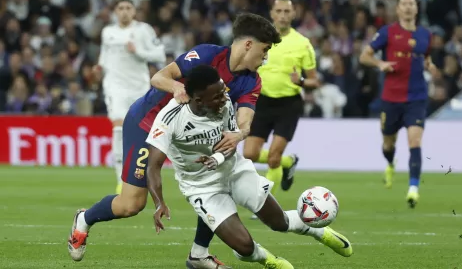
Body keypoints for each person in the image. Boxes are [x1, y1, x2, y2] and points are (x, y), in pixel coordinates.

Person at [68, 13, 281, 269]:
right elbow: (158, 77)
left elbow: (245, 119)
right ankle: (84, 218)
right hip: (148, 123)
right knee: (131, 204)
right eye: (264, 49)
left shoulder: (251, 80)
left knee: (220, 179)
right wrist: (176, 88)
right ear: (248, 44)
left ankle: (199, 255)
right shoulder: (207, 55)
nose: (265, 57)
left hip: (192, 134)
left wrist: (241, 133)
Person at [146, 65, 353, 269]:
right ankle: (269, 260)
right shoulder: (170, 118)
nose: (224, 98)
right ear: (198, 100)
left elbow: (231, 141)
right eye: (217, 96)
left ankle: (319, 231)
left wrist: (216, 159)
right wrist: (158, 203)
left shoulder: (223, 102)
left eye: (223, 92)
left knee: (279, 222)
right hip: (202, 187)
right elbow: (153, 166)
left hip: (234, 170)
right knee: (244, 248)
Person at [359, 0, 437, 208]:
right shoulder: (388, 32)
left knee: (415, 141)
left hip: (417, 98)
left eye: (412, 4)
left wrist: (430, 65)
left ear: (417, 8)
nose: (408, 7)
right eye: (404, 4)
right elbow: (364, 56)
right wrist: (380, 64)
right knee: (388, 143)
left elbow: (427, 56)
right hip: (391, 98)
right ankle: (390, 162)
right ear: (398, 9)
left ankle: (413, 189)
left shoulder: (425, 35)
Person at [243, 0, 320, 211]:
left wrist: (302, 81)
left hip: (288, 105)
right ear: (272, 14)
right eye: (279, 11)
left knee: (273, 155)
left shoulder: (303, 44)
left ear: (294, 14)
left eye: (287, 11)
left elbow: (315, 80)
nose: (283, 16)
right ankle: (288, 163)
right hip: (262, 102)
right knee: (249, 154)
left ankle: (264, 207)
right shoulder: (259, 40)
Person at [93, 0, 166, 194]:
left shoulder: (144, 30)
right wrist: (99, 68)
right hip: (114, 86)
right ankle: (120, 180)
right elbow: (104, 56)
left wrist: (139, 51)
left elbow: (159, 55)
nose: (124, 11)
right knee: (118, 129)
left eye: (128, 8)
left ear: (134, 11)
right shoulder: (108, 32)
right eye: (120, 8)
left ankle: (140, 177)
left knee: (140, 134)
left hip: (139, 87)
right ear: (115, 12)